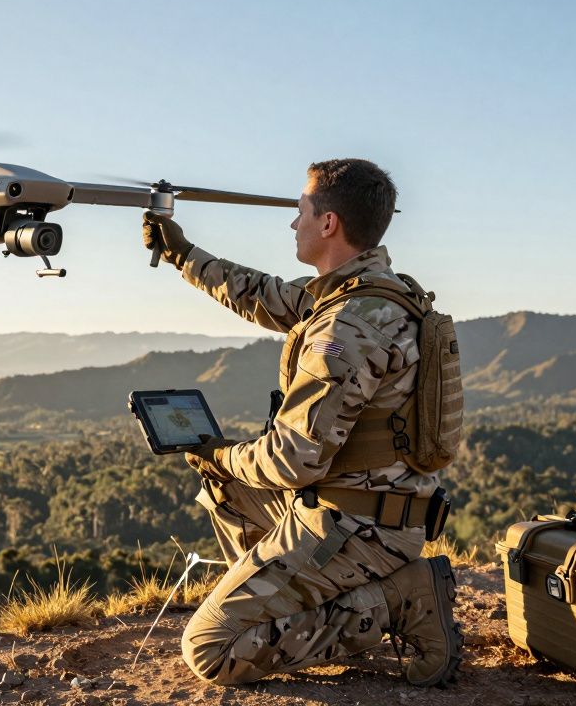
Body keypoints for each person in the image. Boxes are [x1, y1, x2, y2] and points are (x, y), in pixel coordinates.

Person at [142, 158, 463, 687]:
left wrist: (219, 450)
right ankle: (285, 605)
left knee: (211, 650)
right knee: (225, 483)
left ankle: (396, 601)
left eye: (301, 211)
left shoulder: (348, 324)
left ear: (328, 223)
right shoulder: (373, 294)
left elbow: (293, 459)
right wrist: (181, 253)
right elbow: (258, 294)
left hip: (360, 528)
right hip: (373, 509)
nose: (294, 224)